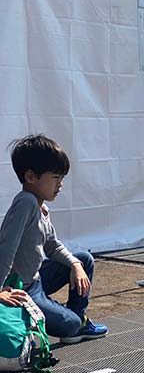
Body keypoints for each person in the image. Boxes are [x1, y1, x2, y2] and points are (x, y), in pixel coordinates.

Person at [0, 135, 108, 344]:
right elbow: (6, 248)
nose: (60, 184)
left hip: (37, 280)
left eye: (62, 178)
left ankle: (78, 319)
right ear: (30, 176)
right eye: (56, 177)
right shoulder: (25, 203)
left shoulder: (40, 207)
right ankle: (71, 323)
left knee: (83, 259)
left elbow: (52, 246)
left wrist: (74, 264)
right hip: (22, 289)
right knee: (70, 325)